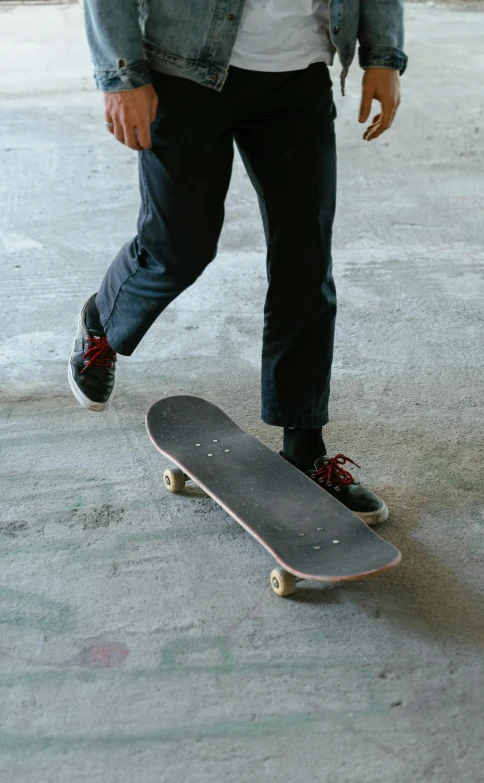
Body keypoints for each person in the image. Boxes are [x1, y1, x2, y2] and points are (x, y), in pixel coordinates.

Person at [70, 0, 407, 526]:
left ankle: (304, 447)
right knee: (179, 249)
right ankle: (104, 321)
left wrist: (382, 55)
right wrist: (120, 74)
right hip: (185, 68)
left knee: (306, 265)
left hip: (299, 75)